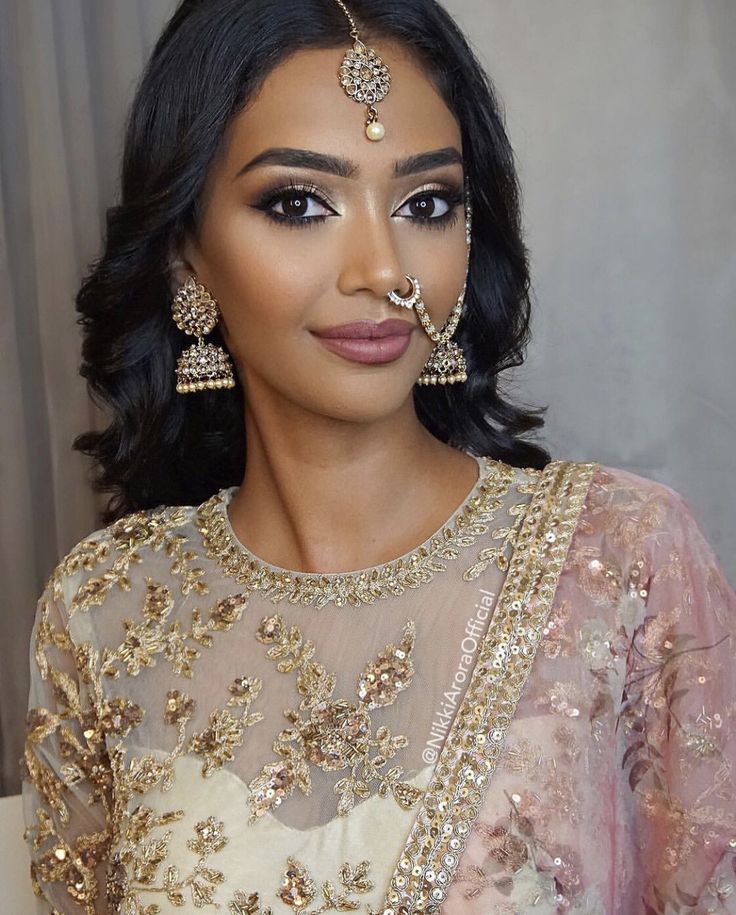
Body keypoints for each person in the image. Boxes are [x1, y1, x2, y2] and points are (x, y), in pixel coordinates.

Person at [21, 0, 736, 912]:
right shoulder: (105, 611)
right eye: (299, 203)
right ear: (186, 259)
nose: (383, 268)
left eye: (425, 203)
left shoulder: (623, 559)